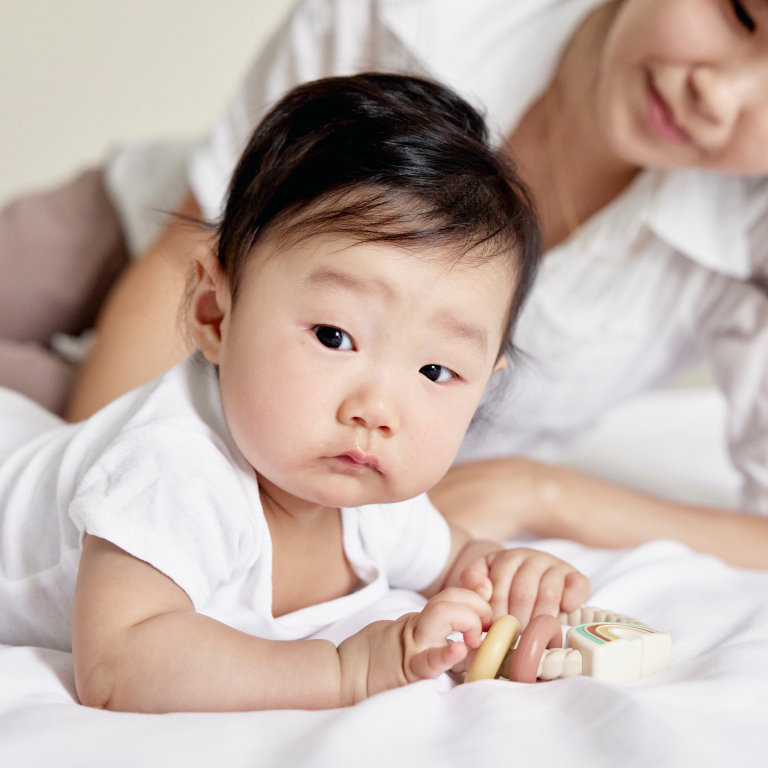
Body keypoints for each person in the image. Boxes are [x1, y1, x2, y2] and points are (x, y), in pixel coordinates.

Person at [4, 0, 768, 568]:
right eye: (738, 16)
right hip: (156, 234)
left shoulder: (749, 239)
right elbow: (190, 247)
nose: (723, 96)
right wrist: (110, 496)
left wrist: (542, 491)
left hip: (288, 411)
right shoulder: (423, 14)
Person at [0, 74, 591, 712]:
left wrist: (504, 573)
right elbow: (119, 667)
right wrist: (344, 670)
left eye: (435, 372)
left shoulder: (370, 492)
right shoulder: (172, 471)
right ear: (214, 313)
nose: (377, 409)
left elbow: (455, 559)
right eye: (335, 336)